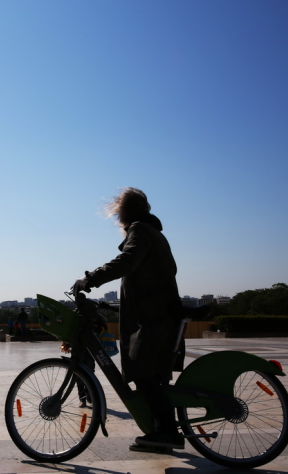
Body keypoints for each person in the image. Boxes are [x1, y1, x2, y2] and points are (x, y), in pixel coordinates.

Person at [73, 187, 184, 451]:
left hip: (153, 319)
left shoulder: (140, 230)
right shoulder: (155, 233)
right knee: (150, 375)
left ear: (123, 212)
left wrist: (90, 278)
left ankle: (167, 432)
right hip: (161, 314)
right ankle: (161, 429)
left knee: (142, 371)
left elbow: (127, 261)